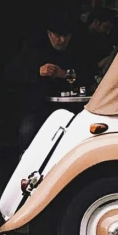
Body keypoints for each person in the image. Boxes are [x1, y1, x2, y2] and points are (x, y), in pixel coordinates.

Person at [8, 17, 87, 145]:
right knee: (28, 130)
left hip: (69, 105)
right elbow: (11, 72)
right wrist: (38, 72)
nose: (62, 40)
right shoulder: (33, 48)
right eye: (58, 36)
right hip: (38, 105)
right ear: (49, 34)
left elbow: (88, 74)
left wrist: (64, 73)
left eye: (66, 36)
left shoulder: (76, 49)